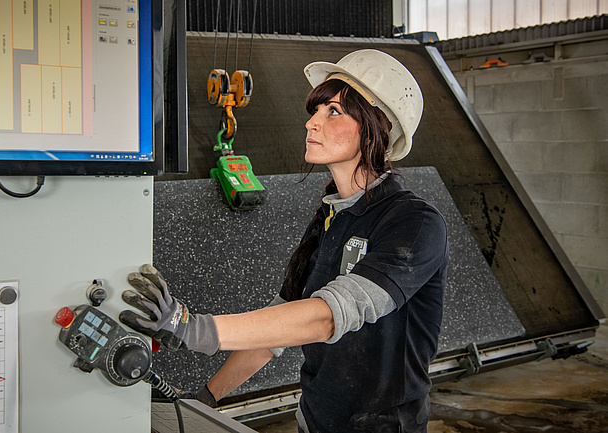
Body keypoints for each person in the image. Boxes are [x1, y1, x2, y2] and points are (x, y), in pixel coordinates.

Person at [120, 49, 449, 433]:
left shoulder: (414, 223)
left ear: (379, 129)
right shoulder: (330, 218)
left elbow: (326, 318)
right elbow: (277, 329)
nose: (311, 123)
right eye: (315, 111)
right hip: (313, 422)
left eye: (333, 112)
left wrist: (192, 327)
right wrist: (206, 399)